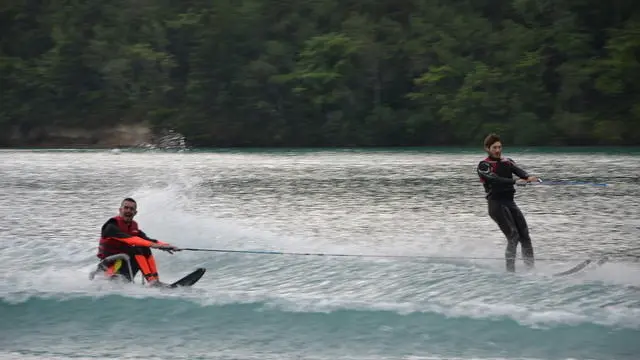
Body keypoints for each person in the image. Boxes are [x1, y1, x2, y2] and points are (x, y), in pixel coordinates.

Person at [477, 133, 538, 272]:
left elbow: (520, 172)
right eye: (494, 148)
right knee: (513, 236)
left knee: (524, 235)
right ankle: (510, 272)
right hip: (496, 205)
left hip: (510, 203)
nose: (498, 150)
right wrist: (515, 181)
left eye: (499, 147)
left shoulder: (507, 161)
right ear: (487, 148)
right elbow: (495, 179)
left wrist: (529, 177)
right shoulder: (484, 165)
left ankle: (531, 270)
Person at [96, 197, 180, 286]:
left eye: (131, 209)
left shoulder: (134, 227)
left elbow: (148, 240)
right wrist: (156, 245)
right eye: (126, 208)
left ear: (135, 213)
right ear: (120, 210)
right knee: (137, 247)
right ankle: (152, 282)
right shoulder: (111, 226)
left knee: (144, 247)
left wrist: (167, 246)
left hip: (124, 264)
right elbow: (132, 240)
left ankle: (155, 281)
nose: (128, 211)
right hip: (108, 267)